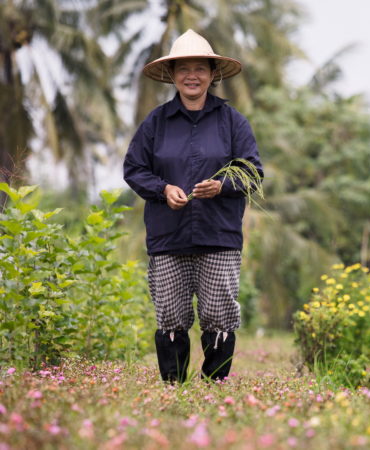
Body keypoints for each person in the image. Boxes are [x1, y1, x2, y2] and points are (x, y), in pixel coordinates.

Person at [123, 29, 262, 383]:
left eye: (200, 68)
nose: (192, 76)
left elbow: (252, 172)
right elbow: (134, 169)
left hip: (219, 235)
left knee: (219, 313)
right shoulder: (155, 122)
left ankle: (214, 384)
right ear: (171, 75)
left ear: (213, 74)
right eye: (183, 68)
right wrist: (162, 188)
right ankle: (173, 386)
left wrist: (222, 185)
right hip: (168, 235)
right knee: (170, 314)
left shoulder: (233, 121)